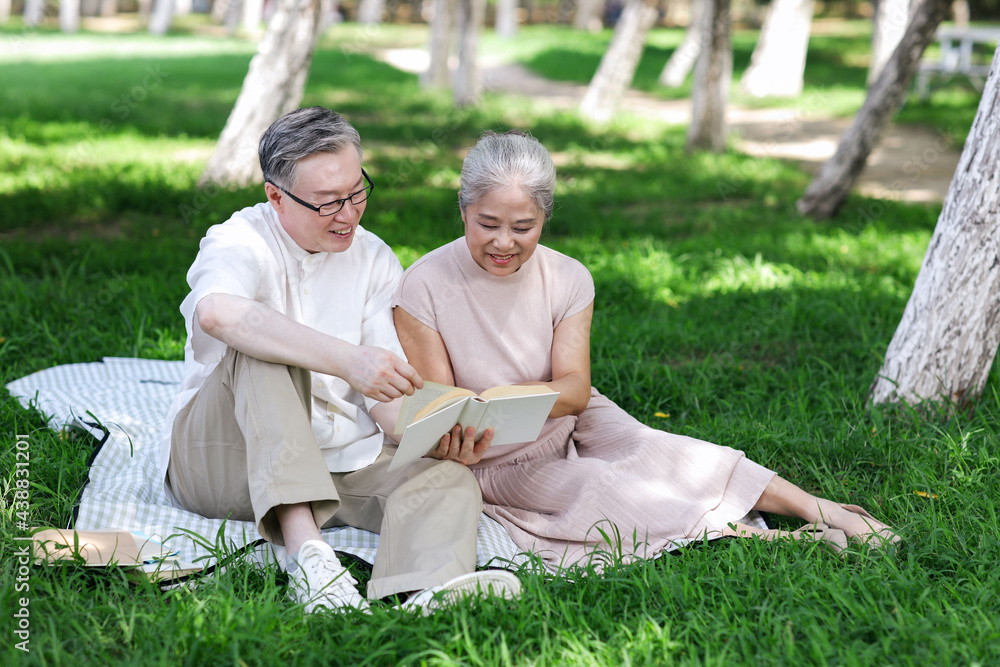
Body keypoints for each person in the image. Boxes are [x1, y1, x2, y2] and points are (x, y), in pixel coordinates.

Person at [392, 130, 900, 569]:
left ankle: (823, 510)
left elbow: (575, 388)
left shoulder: (568, 276)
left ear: (544, 217)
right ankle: (776, 542)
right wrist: (459, 436)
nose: (505, 242)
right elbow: (442, 407)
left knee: (675, 458)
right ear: (462, 210)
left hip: (573, 416)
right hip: (496, 459)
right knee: (605, 494)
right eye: (488, 224)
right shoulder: (424, 286)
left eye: (523, 228)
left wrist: (516, 394)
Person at [163, 107, 519, 613]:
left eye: (357, 192)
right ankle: (309, 557)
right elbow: (219, 314)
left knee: (445, 477)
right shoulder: (239, 239)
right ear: (276, 197)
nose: (350, 213)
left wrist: (436, 435)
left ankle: (423, 592)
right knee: (265, 346)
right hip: (226, 464)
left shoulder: (374, 257)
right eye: (329, 202)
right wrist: (346, 361)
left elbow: (385, 396)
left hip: (340, 465)